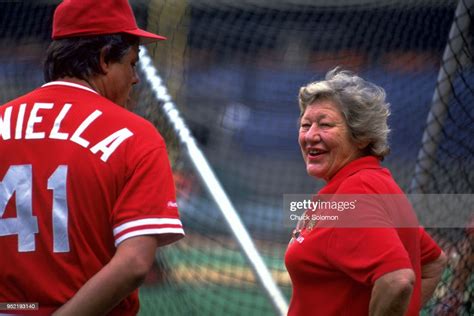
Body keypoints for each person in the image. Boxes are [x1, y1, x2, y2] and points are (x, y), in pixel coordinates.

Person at [0, 0, 184, 315]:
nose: (135, 78)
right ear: (103, 60)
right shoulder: (135, 135)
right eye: (131, 63)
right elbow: (135, 262)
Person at [284, 68, 447, 316]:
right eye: (306, 125)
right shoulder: (370, 182)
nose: (310, 136)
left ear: (361, 137)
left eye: (325, 125)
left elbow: (398, 280)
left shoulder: (356, 192)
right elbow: (433, 263)